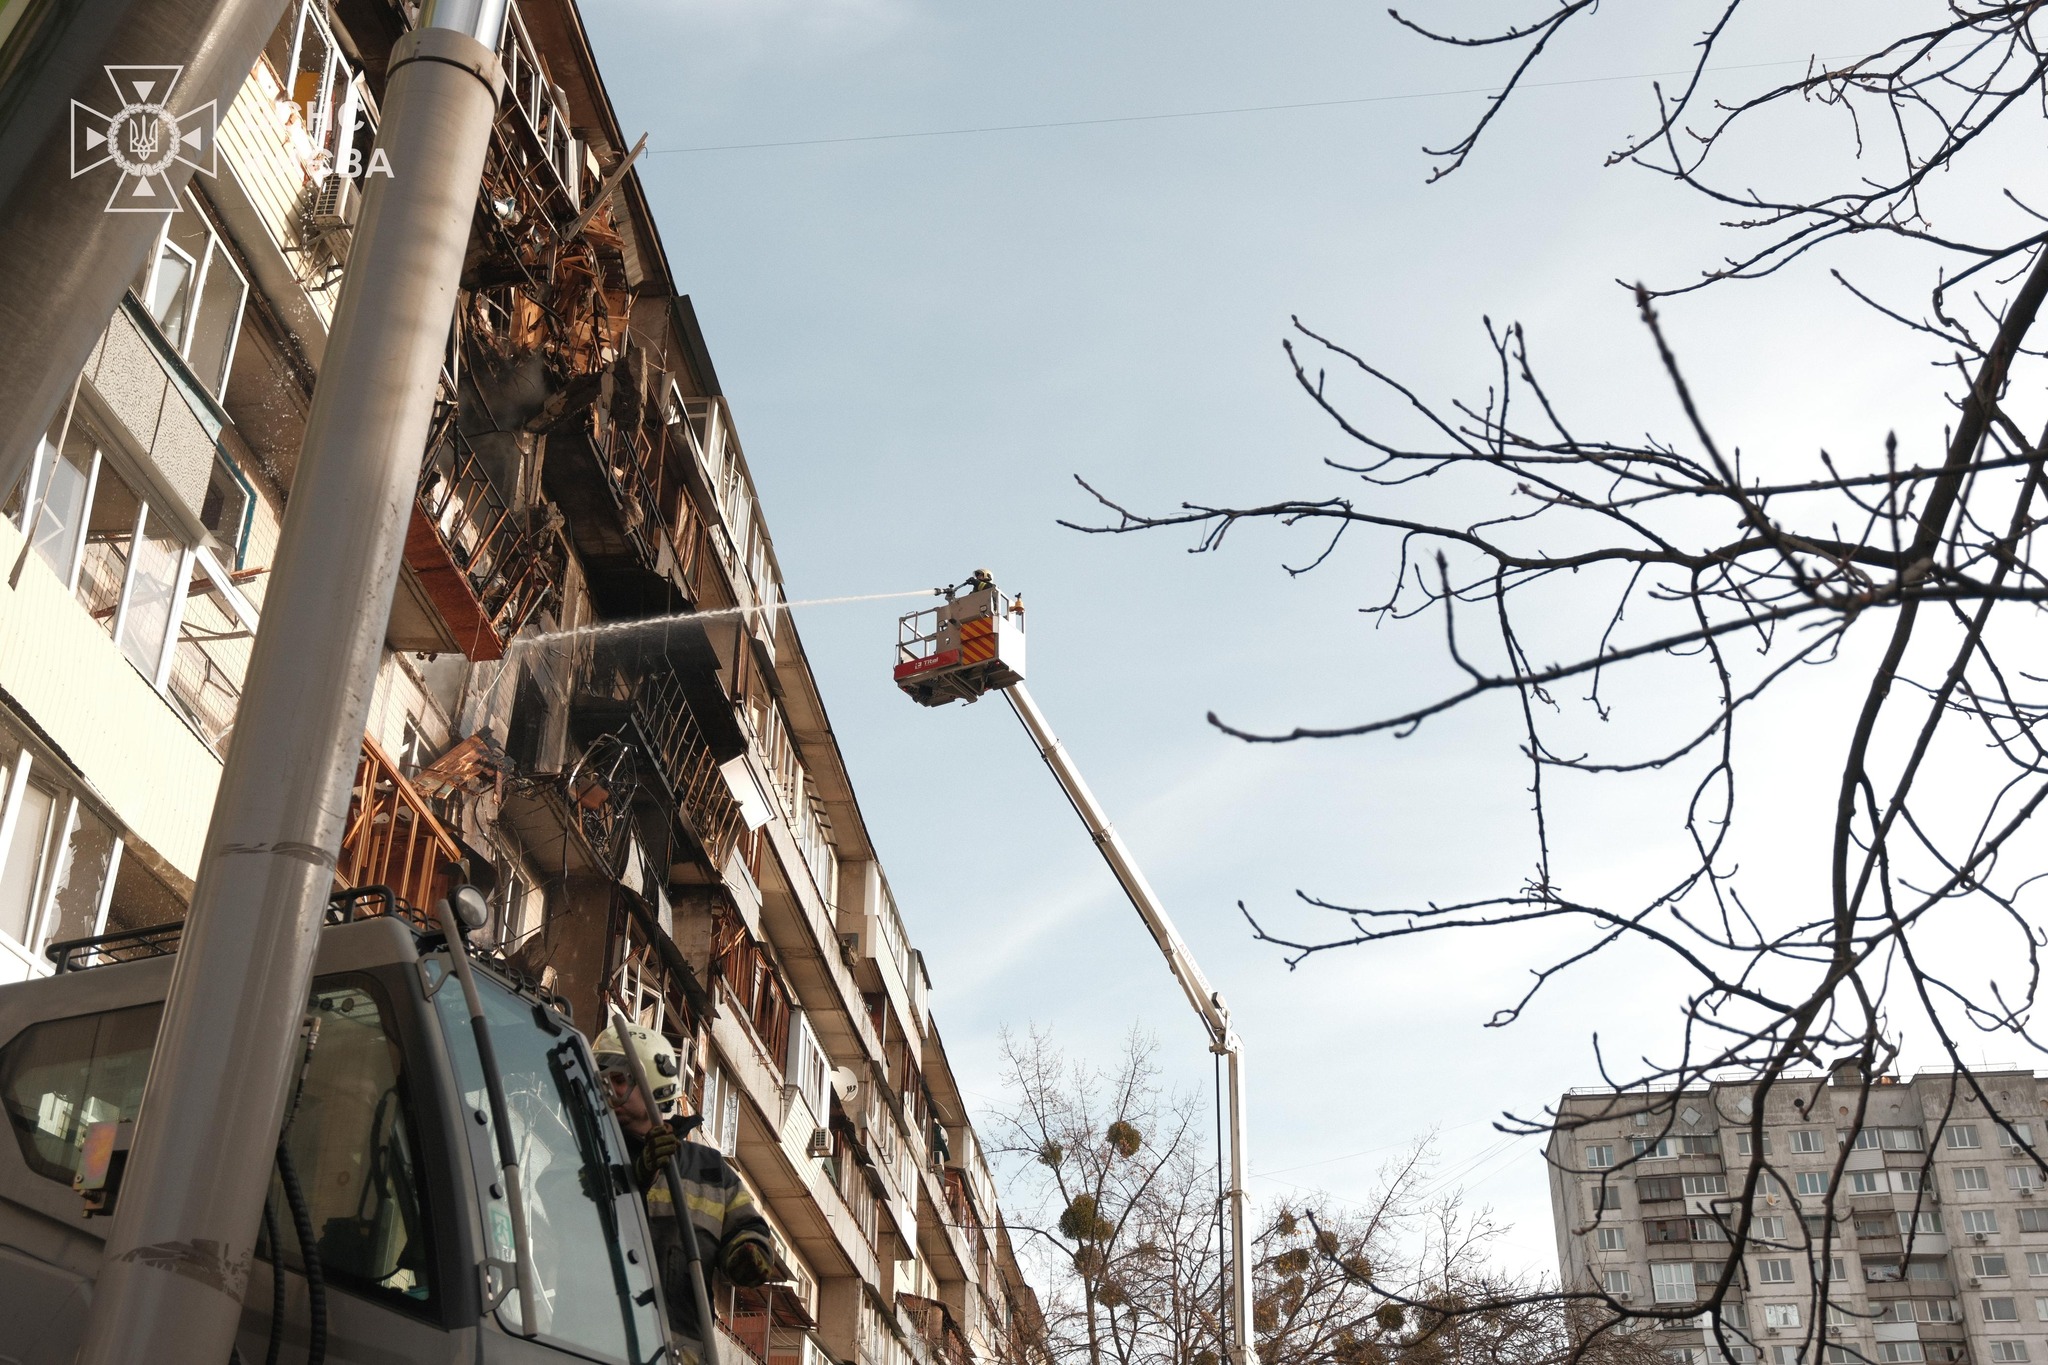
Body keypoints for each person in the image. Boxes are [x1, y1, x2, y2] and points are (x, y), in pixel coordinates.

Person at [595, 1023, 778, 1361]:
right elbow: (563, 1205)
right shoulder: (583, 1148)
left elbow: (748, 1227)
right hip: (594, 1343)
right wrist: (637, 1175)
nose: (606, 1091)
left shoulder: (710, 1170)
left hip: (680, 1354)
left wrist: (748, 1252)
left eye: (618, 1080)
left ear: (654, 1084)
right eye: (599, 1082)